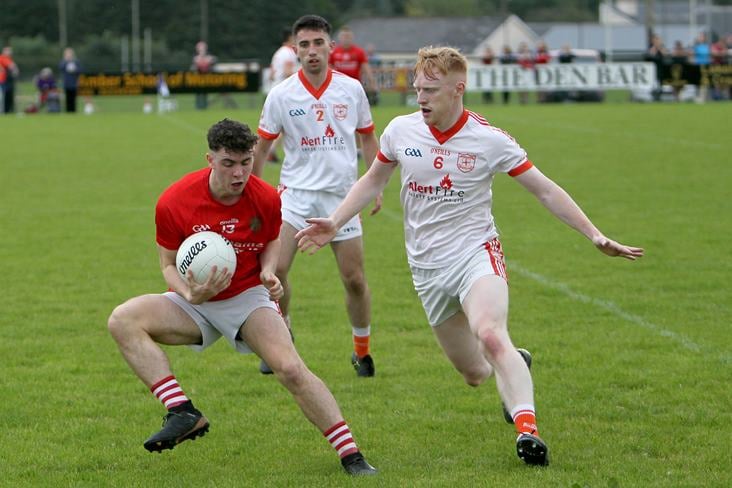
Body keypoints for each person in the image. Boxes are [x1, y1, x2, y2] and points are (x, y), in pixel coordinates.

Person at [295, 46, 644, 467]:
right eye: (418, 89)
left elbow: (545, 189)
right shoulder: (401, 131)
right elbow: (372, 180)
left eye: (431, 90)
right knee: (476, 374)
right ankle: (517, 364)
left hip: (476, 253)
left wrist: (594, 234)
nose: (421, 98)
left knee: (492, 333)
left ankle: (527, 432)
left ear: (459, 89)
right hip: (426, 268)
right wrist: (335, 221)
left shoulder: (489, 139)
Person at [107, 118, 377, 476]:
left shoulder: (265, 197)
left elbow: (271, 241)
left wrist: (268, 272)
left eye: (246, 162)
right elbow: (167, 263)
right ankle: (182, 412)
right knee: (122, 320)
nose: (239, 173)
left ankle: (352, 455)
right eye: (228, 163)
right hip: (194, 300)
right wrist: (190, 292)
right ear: (210, 159)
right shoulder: (175, 201)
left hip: (247, 297)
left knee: (291, 369)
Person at [253, 15, 380, 377]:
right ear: (295, 50)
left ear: (330, 47)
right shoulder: (281, 95)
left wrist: (377, 185)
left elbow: (369, 137)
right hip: (295, 196)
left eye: (318, 43)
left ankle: (362, 350)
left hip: (343, 198)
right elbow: (261, 150)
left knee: (354, 279)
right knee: (275, 272)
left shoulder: (351, 89)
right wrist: (257, 197)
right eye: (304, 45)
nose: (312, 51)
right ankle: (283, 334)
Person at [266, 28, 299, 163]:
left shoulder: (278, 53)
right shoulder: (289, 52)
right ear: (290, 38)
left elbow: (272, 74)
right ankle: (270, 151)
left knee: (281, 125)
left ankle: (270, 152)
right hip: (287, 93)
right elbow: (287, 72)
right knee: (288, 124)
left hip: (275, 90)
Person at [191, 41, 216, 110]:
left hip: (207, 78)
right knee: (198, 93)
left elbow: (213, 63)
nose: (201, 50)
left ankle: (205, 106)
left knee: (206, 93)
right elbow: (194, 68)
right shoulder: (196, 58)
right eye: (200, 48)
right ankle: (198, 106)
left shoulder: (209, 58)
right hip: (198, 79)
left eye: (203, 48)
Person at [58, 47, 81, 113]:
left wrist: (75, 70)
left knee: (73, 98)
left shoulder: (76, 61)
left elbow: (80, 71)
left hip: (74, 83)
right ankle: (68, 111)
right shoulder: (63, 62)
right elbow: (61, 68)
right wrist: (66, 61)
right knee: (67, 98)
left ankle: (73, 111)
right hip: (66, 83)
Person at [0, 46, 19, 113]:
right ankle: (3, 111)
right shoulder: (3, 57)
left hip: (5, 80)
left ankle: (7, 110)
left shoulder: (8, 58)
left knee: (7, 96)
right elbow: (12, 66)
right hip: (2, 80)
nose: (10, 52)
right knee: (2, 97)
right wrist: (15, 71)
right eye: (8, 51)